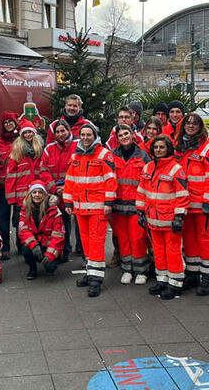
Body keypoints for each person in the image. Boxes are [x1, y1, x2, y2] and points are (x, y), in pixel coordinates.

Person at [64, 124, 117, 297]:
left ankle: (96, 280)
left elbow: (110, 180)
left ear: (95, 136)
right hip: (80, 208)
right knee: (86, 242)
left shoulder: (104, 154)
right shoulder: (75, 156)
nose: (86, 138)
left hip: (98, 208)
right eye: (83, 135)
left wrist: (108, 202)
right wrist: (68, 203)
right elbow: (70, 181)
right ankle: (90, 271)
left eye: (89, 135)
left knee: (96, 243)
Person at [175, 113, 209, 296]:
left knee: (205, 240)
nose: (191, 126)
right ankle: (193, 275)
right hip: (187, 205)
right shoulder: (180, 147)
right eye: (188, 123)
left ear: (200, 126)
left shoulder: (208, 149)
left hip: (204, 205)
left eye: (195, 124)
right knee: (189, 241)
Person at [137, 135, 190, 299]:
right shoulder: (148, 167)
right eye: (156, 147)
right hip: (153, 220)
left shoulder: (176, 169)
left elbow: (182, 195)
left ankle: (175, 284)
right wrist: (140, 211)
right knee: (158, 251)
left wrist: (179, 216)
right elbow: (142, 191)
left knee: (173, 252)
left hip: (170, 221)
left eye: (162, 147)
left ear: (168, 148)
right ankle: (162, 280)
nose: (158, 150)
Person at [111, 125, 152, 285]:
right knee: (123, 239)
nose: (124, 137)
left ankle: (141, 270)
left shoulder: (143, 156)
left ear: (133, 135)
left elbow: (149, 180)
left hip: (137, 207)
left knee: (138, 239)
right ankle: (127, 269)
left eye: (126, 133)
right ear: (117, 138)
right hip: (118, 207)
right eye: (120, 135)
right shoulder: (112, 156)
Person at [39, 120, 78, 262]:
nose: (61, 134)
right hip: (56, 194)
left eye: (63, 131)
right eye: (58, 132)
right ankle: (64, 251)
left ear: (69, 131)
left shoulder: (77, 146)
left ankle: (83, 252)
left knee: (80, 224)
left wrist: (67, 188)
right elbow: (43, 171)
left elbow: (77, 169)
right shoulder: (49, 149)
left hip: (75, 192)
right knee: (62, 223)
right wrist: (55, 189)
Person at [6, 119, 43, 254]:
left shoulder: (39, 149)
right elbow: (10, 176)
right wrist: (11, 197)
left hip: (36, 192)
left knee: (35, 218)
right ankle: (21, 246)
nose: (28, 135)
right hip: (21, 194)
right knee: (20, 221)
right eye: (25, 132)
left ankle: (34, 245)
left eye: (30, 132)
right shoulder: (16, 151)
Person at [18, 180, 65, 279]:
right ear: (30, 194)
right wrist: (34, 245)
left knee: (50, 268)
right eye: (34, 192)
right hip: (35, 244)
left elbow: (58, 236)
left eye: (40, 192)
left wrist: (50, 254)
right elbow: (23, 231)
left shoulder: (54, 210)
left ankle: (49, 263)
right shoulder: (25, 209)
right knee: (26, 249)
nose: (37, 195)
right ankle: (32, 269)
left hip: (49, 244)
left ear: (45, 194)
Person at [0, 111, 19, 260]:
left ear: (15, 123)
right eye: (6, 122)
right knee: (2, 217)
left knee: (21, 217)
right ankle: (5, 247)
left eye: (11, 122)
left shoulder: (22, 139)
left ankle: (22, 245)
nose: (9, 124)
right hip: (3, 187)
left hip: (19, 185)